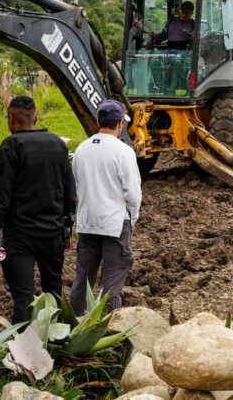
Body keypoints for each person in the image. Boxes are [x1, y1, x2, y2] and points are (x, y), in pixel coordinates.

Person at [0, 96, 75, 323]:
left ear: (11, 119)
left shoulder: (10, 147)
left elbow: (0, 204)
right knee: (53, 292)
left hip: (20, 238)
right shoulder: (58, 145)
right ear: (35, 118)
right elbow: (70, 194)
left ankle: (24, 342)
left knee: (23, 299)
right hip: (52, 234)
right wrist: (67, 229)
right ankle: (55, 339)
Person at [69, 100, 141, 314]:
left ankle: (76, 320)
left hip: (87, 222)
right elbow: (132, 192)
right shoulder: (123, 151)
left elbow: (75, 187)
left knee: (83, 278)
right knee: (113, 276)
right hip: (114, 223)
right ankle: (108, 322)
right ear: (120, 123)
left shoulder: (81, 149)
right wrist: (133, 217)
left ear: (98, 121)